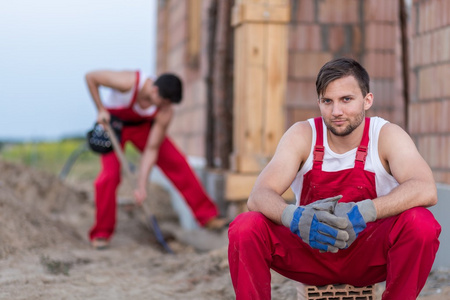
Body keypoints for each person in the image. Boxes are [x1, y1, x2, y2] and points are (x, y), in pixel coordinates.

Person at [228, 57, 441, 299]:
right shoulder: (303, 135)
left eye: (346, 100)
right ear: (318, 102)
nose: (336, 111)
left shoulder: (386, 136)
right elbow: (258, 196)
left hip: (367, 256)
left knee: (421, 223)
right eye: (327, 101)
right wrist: (294, 217)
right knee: (245, 227)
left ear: (367, 100)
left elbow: (425, 189)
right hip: (310, 256)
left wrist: (365, 211)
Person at [85, 69, 227, 249]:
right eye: (164, 102)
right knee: (109, 177)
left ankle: (207, 216)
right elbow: (91, 77)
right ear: (154, 91)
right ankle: (102, 232)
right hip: (114, 126)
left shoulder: (165, 111)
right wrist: (100, 109)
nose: (166, 107)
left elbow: (152, 150)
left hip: (143, 128)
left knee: (177, 162)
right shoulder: (128, 83)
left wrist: (141, 185)